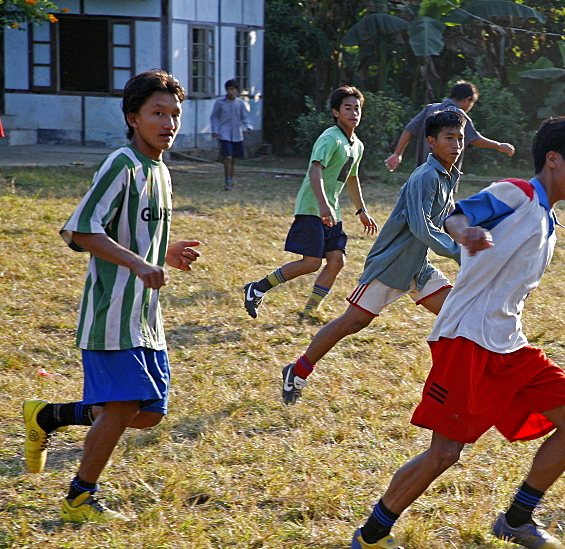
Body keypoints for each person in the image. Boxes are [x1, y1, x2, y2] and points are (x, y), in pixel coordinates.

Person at [351, 116, 565, 549]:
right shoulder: (518, 193)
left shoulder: (547, 219)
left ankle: (517, 519)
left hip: (509, 344)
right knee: (445, 451)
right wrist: (463, 231)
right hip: (465, 339)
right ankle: (372, 535)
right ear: (553, 160)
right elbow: (460, 211)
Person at [22, 69, 201, 522]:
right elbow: (82, 228)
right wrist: (139, 263)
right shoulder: (121, 163)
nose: (169, 123)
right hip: (111, 312)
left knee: (148, 413)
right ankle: (80, 497)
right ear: (133, 117)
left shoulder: (159, 170)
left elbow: (139, 233)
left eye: (175, 114)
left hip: (145, 316)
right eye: (157, 112)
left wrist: (166, 251)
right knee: (123, 406)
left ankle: (51, 416)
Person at [281, 110, 467, 405]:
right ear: (431, 142)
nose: (456, 145)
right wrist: (460, 253)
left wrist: (473, 240)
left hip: (419, 268)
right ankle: (297, 371)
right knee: (352, 323)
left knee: (460, 314)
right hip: (390, 266)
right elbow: (421, 227)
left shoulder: (448, 176)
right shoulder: (425, 176)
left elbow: (449, 218)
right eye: (448, 138)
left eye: (460, 138)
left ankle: (456, 387)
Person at [243, 86, 378, 320]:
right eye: (348, 108)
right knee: (312, 262)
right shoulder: (330, 138)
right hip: (312, 207)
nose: (354, 112)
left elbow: (352, 178)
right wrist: (323, 204)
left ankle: (308, 313)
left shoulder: (357, 145)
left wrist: (361, 210)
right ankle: (257, 288)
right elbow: (315, 171)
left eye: (357, 108)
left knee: (337, 260)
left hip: (331, 210)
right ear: (336, 112)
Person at [384, 80, 515, 174]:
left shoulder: (431, 108)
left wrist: (397, 154)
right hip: (443, 169)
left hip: (423, 170)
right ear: (467, 99)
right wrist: (498, 145)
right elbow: (474, 138)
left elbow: (409, 130)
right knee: (443, 201)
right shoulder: (457, 113)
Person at [210, 78, 253, 191]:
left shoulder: (240, 103)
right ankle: (227, 180)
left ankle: (231, 179)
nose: (231, 92)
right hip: (224, 133)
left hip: (236, 134)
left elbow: (245, 117)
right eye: (229, 89)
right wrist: (215, 130)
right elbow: (214, 117)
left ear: (237, 91)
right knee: (227, 157)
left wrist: (248, 127)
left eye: (233, 89)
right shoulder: (220, 102)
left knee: (233, 158)